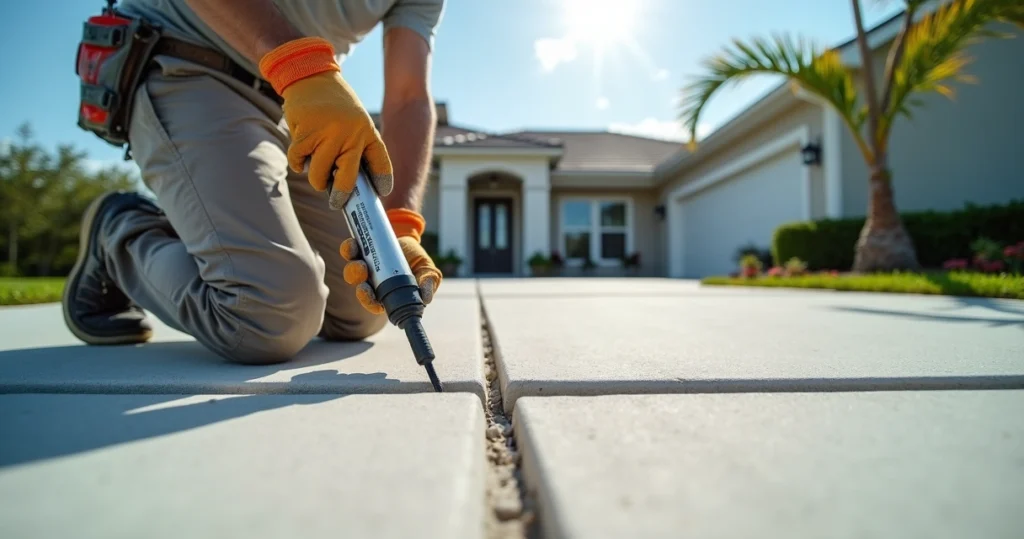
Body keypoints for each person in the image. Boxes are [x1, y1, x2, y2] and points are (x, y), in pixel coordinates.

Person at [62, 0, 446, 364]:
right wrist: (300, 64)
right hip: (190, 61)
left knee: (367, 303)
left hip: (294, 103)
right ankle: (119, 232)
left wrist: (398, 226)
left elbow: (408, 96)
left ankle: (222, 237)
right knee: (268, 315)